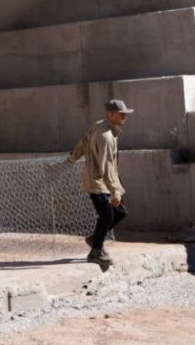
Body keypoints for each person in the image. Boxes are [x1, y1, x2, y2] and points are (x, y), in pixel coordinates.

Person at [66, 99, 133, 268]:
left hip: (102, 181)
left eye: (125, 113)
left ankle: (94, 238)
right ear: (110, 114)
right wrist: (115, 192)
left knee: (121, 212)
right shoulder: (106, 137)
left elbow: (83, 142)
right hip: (98, 183)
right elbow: (108, 167)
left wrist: (73, 157)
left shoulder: (101, 125)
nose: (124, 116)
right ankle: (96, 251)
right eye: (121, 113)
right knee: (107, 216)